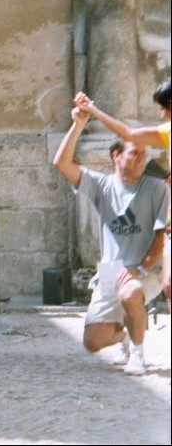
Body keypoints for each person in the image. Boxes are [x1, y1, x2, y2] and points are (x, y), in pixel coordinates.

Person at [53, 104, 169, 375]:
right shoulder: (101, 185)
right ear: (116, 156)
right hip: (110, 271)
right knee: (93, 342)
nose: (142, 158)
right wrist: (78, 124)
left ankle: (138, 356)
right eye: (135, 153)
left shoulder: (157, 188)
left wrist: (141, 269)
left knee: (130, 292)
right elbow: (62, 164)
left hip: (145, 269)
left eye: (144, 154)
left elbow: (161, 235)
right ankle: (125, 336)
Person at [74, 80, 171, 317]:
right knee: (169, 284)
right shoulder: (168, 132)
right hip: (117, 266)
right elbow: (129, 134)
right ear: (115, 156)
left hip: (135, 266)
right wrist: (93, 111)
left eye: (164, 107)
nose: (161, 114)